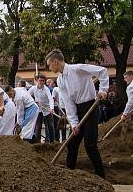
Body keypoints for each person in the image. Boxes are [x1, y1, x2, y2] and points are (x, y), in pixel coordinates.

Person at [45, 49, 108, 179]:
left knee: (90, 144)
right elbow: (68, 102)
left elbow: (102, 71)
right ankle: (69, 174)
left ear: (56, 62)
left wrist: (103, 90)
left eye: (49, 64)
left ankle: (101, 177)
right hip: (78, 110)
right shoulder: (60, 80)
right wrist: (74, 123)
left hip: (90, 106)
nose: (49, 67)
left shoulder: (77, 69)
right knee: (72, 143)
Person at [29, 76, 55, 143]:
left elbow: (50, 99)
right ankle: (38, 142)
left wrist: (52, 108)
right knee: (38, 127)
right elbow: (27, 95)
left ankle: (52, 142)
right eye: (40, 80)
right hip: (38, 110)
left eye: (43, 81)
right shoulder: (33, 88)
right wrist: (33, 101)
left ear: (44, 82)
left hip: (47, 110)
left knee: (50, 126)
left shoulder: (46, 89)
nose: (41, 82)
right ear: (37, 80)